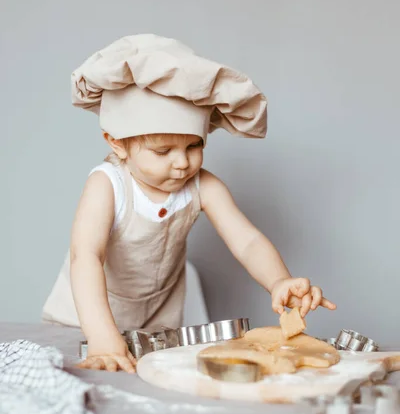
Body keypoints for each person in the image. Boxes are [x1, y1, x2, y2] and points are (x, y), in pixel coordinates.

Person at [43, 34, 336, 373]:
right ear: (117, 143)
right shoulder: (107, 185)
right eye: (163, 151)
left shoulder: (203, 185)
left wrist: (279, 281)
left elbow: (247, 240)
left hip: (157, 319)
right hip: (85, 319)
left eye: (194, 146)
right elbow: (86, 257)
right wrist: (102, 337)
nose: (182, 163)